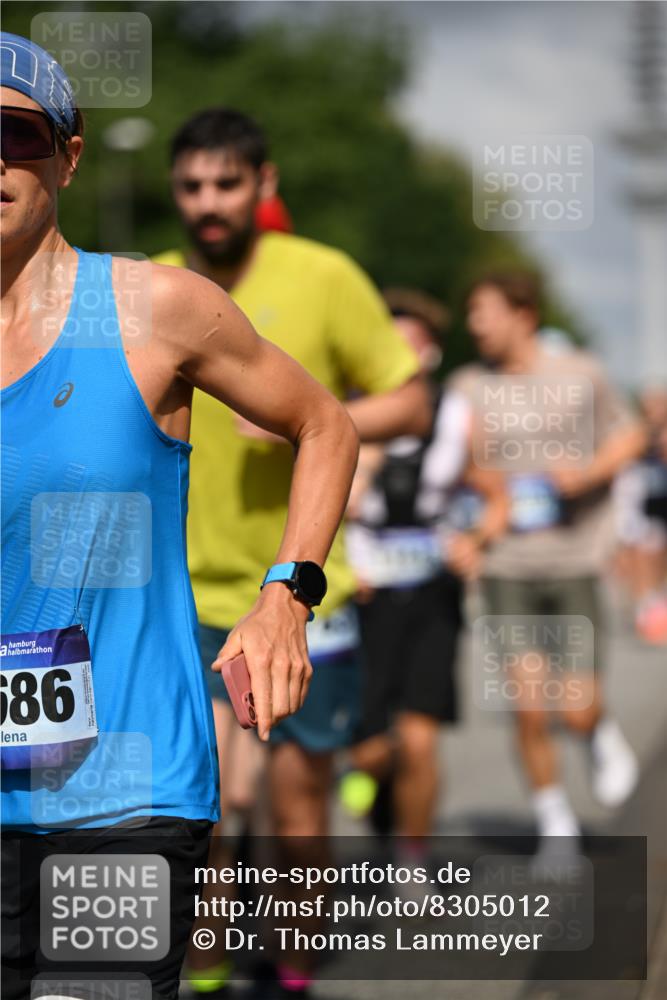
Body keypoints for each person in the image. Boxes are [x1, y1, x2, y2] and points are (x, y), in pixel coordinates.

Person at [0, 36, 359, 1000]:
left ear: (67, 159)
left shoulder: (152, 309)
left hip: (125, 784)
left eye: (15, 134)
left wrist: (287, 594)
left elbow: (325, 424)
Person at [154, 109, 429, 996]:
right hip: (180, 595)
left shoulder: (322, 275)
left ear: (263, 185)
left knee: (298, 806)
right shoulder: (151, 288)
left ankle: (293, 964)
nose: (208, 203)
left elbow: (407, 403)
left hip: (305, 593)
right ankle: (204, 968)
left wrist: (298, 426)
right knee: (202, 802)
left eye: (226, 183)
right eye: (191, 186)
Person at [453, 271, 644, 857]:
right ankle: (554, 825)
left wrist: (585, 474)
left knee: (576, 705)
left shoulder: (579, 373)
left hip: (575, 558)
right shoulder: (466, 386)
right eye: (471, 313)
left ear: (523, 314)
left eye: (484, 311)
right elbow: (458, 460)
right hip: (508, 564)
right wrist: (487, 491)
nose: (475, 324)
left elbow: (631, 434)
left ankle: (596, 730)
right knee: (529, 706)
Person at [342, 288, 507, 861]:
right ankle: (370, 785)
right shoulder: (343, 409)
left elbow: (496, 497)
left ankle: (412, 857)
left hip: (432, 592)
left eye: (410, 344)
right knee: (369, 751)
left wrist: (476, 540)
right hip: (359, 593)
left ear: (431, 354)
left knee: (419, 740)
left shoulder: (458, 416)